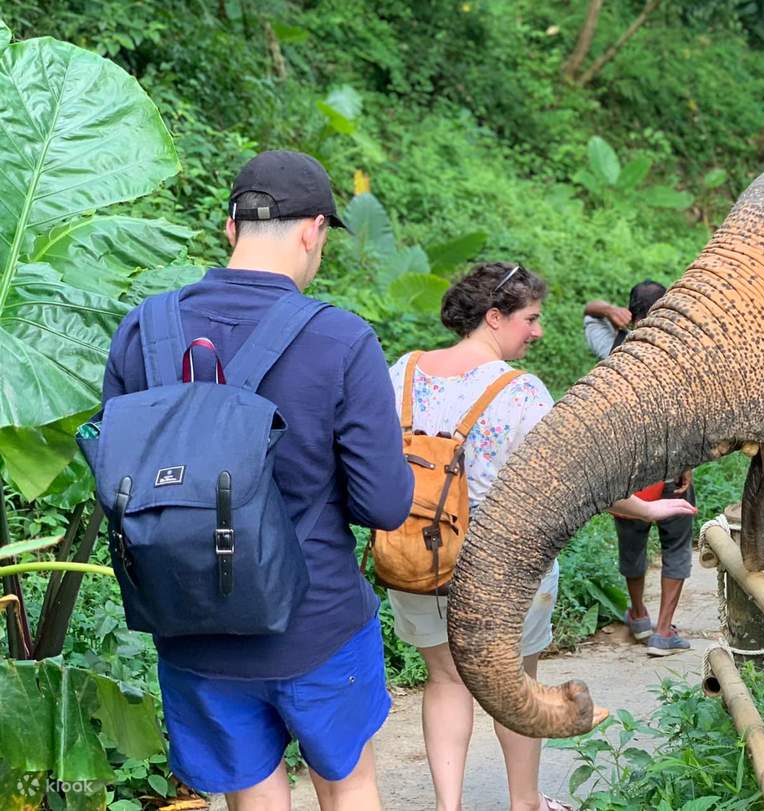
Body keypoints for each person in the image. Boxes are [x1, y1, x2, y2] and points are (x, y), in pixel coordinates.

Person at [100, 150, 414, 810]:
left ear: (229, 227)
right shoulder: (342, 341)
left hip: (191, 628)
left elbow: (119, 482)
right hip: (317, 621)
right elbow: (384, 504)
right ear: (313, 231)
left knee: (252, 793)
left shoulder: (142, 329)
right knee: (348, 780)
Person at [389, 263, 695, 811]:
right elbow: (575, 474)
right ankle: (524, 803)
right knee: (518, 682)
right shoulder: (519, 391)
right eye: (529, 319)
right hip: (503, 567)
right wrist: (646, 511)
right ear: (493, 317)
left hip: (416, 557)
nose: (537, 331)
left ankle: (448, 807)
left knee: (445, 681)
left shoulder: (404, 372)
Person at [584, 281, 696, 657]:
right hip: (670, 470)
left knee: (631, 544)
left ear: (630, 315)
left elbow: (588, 312)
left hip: (629, 474)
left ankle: (639, 615)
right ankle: (664, 631)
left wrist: (607, 308)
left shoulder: (614, 349)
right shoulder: (681, 355)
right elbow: (692, 418)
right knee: (676, 546)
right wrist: (688, 465)